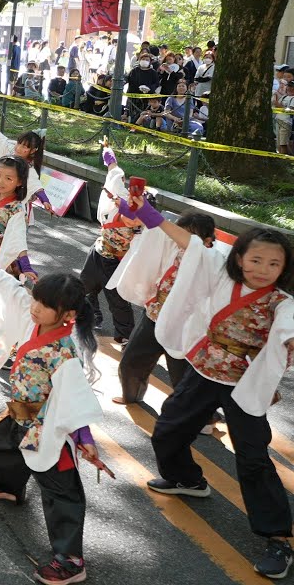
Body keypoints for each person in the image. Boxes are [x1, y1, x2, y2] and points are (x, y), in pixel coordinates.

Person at [127, 198, 294, 579]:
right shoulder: (221, 272)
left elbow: (289, 326)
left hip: (245, 384)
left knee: (252, 459)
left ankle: (278, 538)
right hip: (204, 371)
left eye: (274, 263)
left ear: (284, 268)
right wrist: (146, 213)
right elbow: (188, 242)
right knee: (169, 427)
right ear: (239, 259)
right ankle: (188, 479)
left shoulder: (283, 303)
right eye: (255, 260)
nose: (263, 269)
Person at [0, 249, 106, 585]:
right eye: (35, 300)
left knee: (61, 492)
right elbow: (7, 283)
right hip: (20, 415)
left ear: (66, 314)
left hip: (49, 426)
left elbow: (74, 400)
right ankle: (8, 486)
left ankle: (70, 560)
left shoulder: (66, 352)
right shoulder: (35, 319)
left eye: (43, 304)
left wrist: (84, 439)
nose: (34, 307)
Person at [108, 211, 217, 407]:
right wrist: (134, 209)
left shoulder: (209, 259)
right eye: (179, 233)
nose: (180, 239)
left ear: (207, 241)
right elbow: (155, 230)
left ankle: (203, 418)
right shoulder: (173, 247)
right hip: (155, 314)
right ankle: (131, 395)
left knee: (182, 376)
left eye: (189, 236)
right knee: (132, 360)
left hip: (182, 326)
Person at [81, 146, 140, 344]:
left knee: (118, 301)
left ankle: (125, 336)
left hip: (117, 263)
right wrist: (109, 155)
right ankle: (92, 316)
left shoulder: (144, 228)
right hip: (98, 252)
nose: (132, 220)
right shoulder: (118, 199)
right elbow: (115, 173)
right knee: (85, 288)